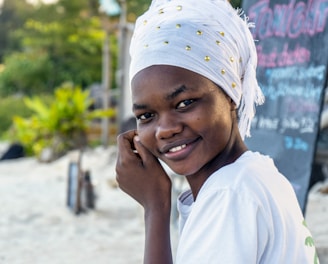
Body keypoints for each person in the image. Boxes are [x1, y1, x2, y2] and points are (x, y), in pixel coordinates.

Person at [115, 0, 320, 263]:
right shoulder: (256, 174)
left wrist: (155, 207)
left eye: (184, 103)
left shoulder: (229, 195)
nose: (165, 129)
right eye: (146, 116)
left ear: (231, 93)